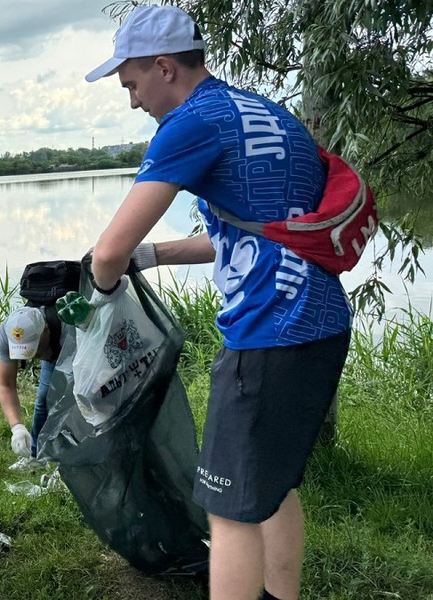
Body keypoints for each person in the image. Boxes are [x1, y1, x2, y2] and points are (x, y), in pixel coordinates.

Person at [84, 6, 351, 600]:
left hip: (268, 331)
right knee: (271, 488)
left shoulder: (191, 122)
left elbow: (106, 253)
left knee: (227, 511)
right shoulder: (268, 114)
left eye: (131, 84)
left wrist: (100, 304)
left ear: (163, 67)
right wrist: (152, 257)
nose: (132, 101)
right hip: (321, 322)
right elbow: (254, 230)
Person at [0, 306, 59, 471]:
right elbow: (5, 384)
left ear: (45, 331)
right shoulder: (5, 333)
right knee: (44, 397)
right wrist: (17, 427)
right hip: (51, 341)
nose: (34, 357)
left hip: (70, 343)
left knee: (65, 397)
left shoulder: (67, 327)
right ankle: (36, 456)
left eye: (35, 351)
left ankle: (70, 461)